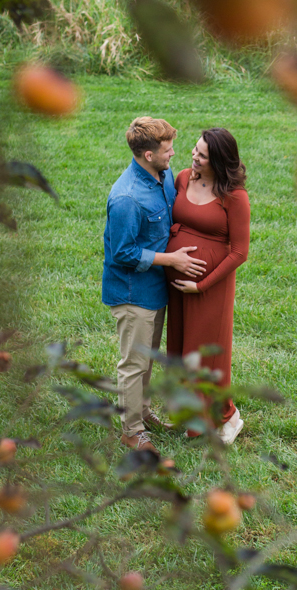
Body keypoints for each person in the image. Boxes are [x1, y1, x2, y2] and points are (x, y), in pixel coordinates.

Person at [102, 117, 207, 454]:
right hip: (133, 293)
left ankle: (143, 414)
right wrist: (172, 260)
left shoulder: (160, 179)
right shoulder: (127, 198)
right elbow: (122, 252)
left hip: (154, 289)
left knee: (146, 359)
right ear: (148, 155)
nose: (174, 154)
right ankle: (132, 433)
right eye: (167, 150)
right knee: (133, 364)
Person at [165, 128, 250, 445]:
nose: (193, 156)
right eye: (195, 149)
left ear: (219, 162)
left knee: (204, 354)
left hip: (211, 286)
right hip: (177, 280)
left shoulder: (235, 197)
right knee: (179, 349)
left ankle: (228, 416)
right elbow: (176, 219)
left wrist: (202, 285)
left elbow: (240, 251)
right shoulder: (184, 178)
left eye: (202, 154)